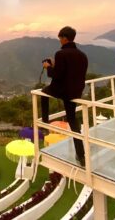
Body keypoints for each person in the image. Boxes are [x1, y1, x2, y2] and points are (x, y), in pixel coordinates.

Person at [41, 26, 88, 167]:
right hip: (76, 92)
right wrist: (56, 66)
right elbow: (72, 72)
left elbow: (56, 75)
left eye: (60, 38)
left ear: (64, 38)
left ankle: (45, 124)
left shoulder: (61, 54)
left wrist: (47, 67)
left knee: (43, 92)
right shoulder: (82, 55)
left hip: (62, 91)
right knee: (72, 120)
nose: (59, 41)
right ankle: (81, 155)